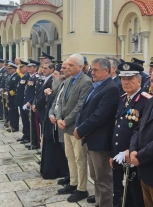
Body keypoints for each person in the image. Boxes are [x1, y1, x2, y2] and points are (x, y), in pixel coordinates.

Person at [74, 58, 119, 207]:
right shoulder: (97, 86)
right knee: (95, 177)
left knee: (103, 180)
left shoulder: (110, 88)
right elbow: (84, 109)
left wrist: (81, 130)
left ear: (106, 71)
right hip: (91, 139)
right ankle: (99, 203)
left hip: (101, 142)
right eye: (91, 69)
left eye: (95, 70)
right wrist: (78, 126)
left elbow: (99, 115)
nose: (91, 72)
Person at [110, 62, 147, 207]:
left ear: (139, 80)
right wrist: (112, 154)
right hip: (119, 157)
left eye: (130, 79)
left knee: (135, 196)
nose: (126, 82)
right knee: (119, 193)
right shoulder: (122, 99)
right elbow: (117, 129)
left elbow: (143, 132)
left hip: (134, 157)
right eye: (123, 79)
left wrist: (131, 151)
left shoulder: (146, 101)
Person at [57, 53, 93, 203]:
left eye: (71, 65)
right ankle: (73, 183)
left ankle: (82, 188)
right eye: (68, 65)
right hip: (65, 125)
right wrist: (59, 118)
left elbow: (80, 105)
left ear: (80, 66)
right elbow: (60, 101)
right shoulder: (68, 80)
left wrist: (67, 120)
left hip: (76, 127)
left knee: (79, 158)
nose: (68, 67)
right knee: (70, 156)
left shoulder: (86, 82)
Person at [40, 62, 68, 179]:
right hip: (51, 119)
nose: (54, 77)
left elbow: (60, 102)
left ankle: (65, 174)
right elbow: (55, 102)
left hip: (61, 123)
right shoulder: (59, 84)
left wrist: (50, 94)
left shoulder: (64, 84)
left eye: (56, 74)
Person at [49, 60, 71, 185]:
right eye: (61, 68)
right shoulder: (63, 83)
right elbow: (57, 102)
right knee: (64, 152)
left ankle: (72, 178)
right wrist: (52, 114)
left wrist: (59, 118)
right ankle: (68, 175)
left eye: (65, 68)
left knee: (70, 154)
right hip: (58, 120)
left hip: (66, 123)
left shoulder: (71, 83)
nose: (62, 70)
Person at [130, 97, 153, 207]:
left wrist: (140, 156)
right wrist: (133, 149)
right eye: (152, 81)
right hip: (144, 171)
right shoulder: (150, 102)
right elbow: (139, 128)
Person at [23, 59, 40, 149]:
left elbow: (36, 93)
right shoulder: (30, 77)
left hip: (32, 103)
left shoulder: (36, 77)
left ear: (35, 68)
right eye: (28, 67)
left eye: (30, 67)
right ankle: (32, 141)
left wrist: (30, 102)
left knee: (34, 124)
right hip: (28, 103)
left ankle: (36, 143)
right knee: (31, 124)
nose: (28, 68)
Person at [15, 60, 30, 143]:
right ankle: (25, 135)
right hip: (21, 101)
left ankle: (28, 136)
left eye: (22, 67)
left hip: (25, 102)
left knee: (26, 120)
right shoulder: (25, 76)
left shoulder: (28, 77)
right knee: (24, 120)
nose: (19, 69)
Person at [4, 62, 21, 132]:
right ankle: (12, 125)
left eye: (10, 69)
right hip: (10, 97)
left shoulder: (17, 76)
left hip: (13, 97)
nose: (9, 70)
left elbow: (17, 88)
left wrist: (9, 93)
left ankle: (15, 126)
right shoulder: (11, 76)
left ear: (14, 69)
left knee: (14, 112)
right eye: (8, 69)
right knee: (10, 111)